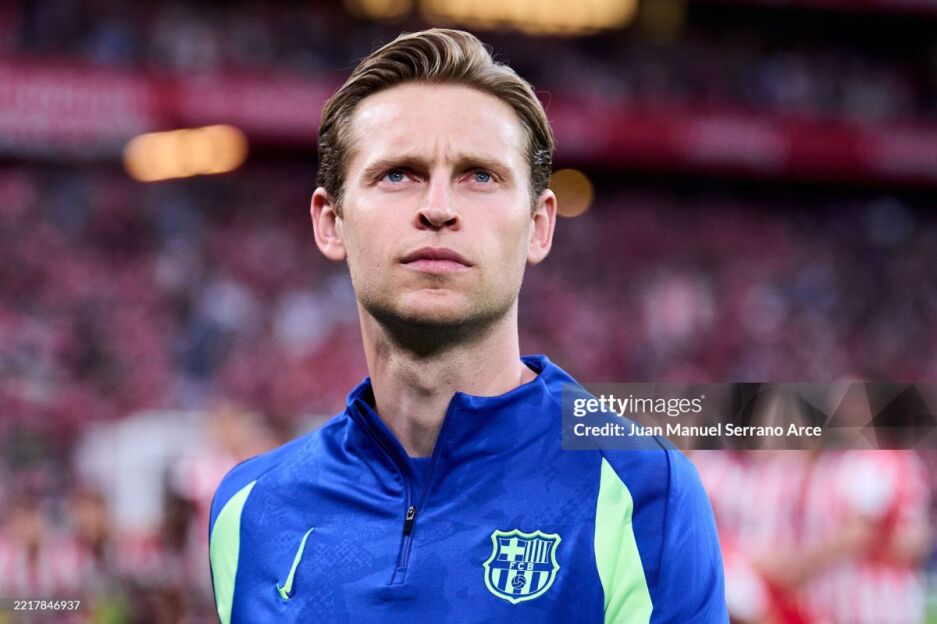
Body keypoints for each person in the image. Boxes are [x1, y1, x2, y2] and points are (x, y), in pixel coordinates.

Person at [209, 28, 727, 623]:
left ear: (539, 226)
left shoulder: (641, 493)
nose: (438, 208)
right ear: (331, 222)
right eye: (398, 174)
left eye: (479, 175)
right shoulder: (250, 512)